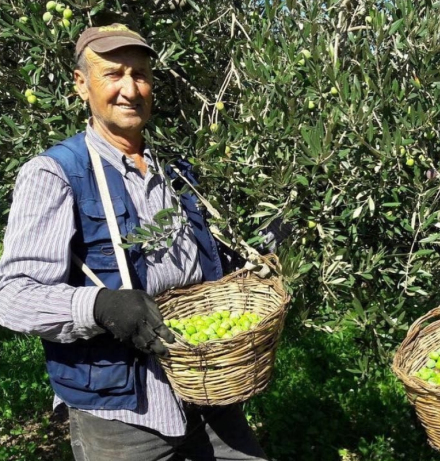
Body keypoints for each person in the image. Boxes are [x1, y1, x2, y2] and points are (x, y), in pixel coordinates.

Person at [0, 24, 283, 461]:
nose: (130, 89)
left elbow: (204, 267)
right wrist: (101, 306)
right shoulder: (54, 174)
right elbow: (13, 295)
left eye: (140, 75)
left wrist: (261, 246)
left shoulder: (177, 170)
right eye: (114, 74)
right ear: (81, 84)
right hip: (122, 414)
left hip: (208, 388)